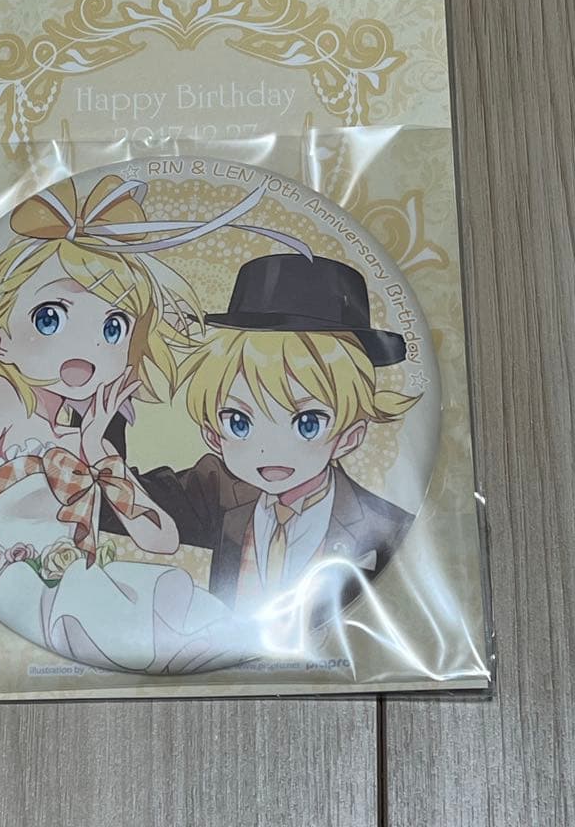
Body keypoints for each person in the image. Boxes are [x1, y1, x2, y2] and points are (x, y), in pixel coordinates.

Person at [0, 173, 258, 674]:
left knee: (175, 616)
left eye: (112, 327)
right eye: (50, 319)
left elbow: (161, 540)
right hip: (17, 592)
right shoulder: (1, 400)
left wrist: (98, 447)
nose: (87, 347)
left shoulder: (85, 437)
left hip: (84, 588)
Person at [128, 253, 420, 635]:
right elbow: (127, 504)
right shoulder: (215, 490)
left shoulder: (388, 527)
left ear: (350, 436)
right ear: (213, 434)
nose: (270, 449)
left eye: (307, 423)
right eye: (240, 422)